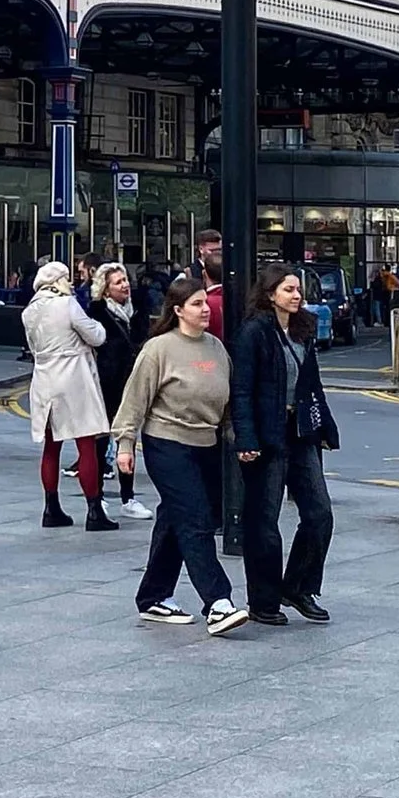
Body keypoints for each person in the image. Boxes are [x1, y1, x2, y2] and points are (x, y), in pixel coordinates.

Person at [114, 275, 248, 635]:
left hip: (206, 443)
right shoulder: (159, 349)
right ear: (177, 310)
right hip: (166, 442)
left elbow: (229, 402)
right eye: (197, 304)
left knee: (176, 518)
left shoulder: (216, 348)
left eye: (206, 303)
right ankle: (218, 602)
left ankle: (154, 596)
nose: (206, 309)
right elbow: (134, 399)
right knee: (195, 520)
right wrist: (124, 445)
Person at [232, 261, 339, 625]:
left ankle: (297, 586)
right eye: (289, 290)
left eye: (298, 290)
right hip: (266, 433)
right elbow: (242, 390)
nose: (297, 296)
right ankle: (263, 601)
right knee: (264, 520)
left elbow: (313, 384)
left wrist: (324, 426)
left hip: (300, 431)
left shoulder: (303, 329)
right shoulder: (254, 332)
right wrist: (246, 438)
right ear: (269, 294)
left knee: (320, 514)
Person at [22, 261, 115, 530]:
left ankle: (51, 508)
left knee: (51, 446)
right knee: (86, 445)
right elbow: (96, 335)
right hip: (73, 379)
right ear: (58, 281)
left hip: (44, 381)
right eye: (67, 278)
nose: (71, 283)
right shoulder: (67, 304)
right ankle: (94, 511)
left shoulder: (29, 311)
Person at [87, 263, 153, 519]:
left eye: (125, 280)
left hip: (133, 379)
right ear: (105, 289)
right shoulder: (96, 311)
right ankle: (98, 496)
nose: (125, 285)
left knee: (128, 437)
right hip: (106, 381)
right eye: (118, 282)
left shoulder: (138, 309)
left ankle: (129, 498)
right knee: (101, 439)